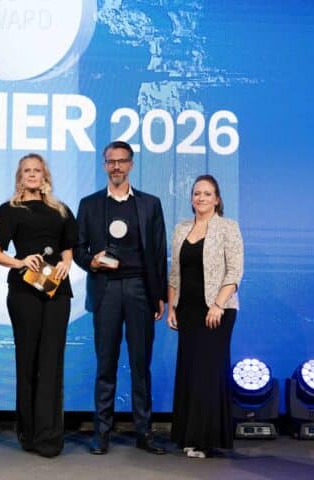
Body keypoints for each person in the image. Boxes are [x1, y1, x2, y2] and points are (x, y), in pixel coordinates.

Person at [73, 141, 167, 455]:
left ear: (131, 164)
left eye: (121, 161)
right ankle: (101, 433)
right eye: (111, 161)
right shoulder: (89, 204)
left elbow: (159, 252)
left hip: (140, 289)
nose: (116, 166)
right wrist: (91, 261)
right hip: (106, 290)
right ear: (104, 166)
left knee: (141, 365)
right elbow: (78, 249)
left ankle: (145, 433)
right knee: (106, 364)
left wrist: (159, 295)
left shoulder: (150, 204)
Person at [0, 153, 76, 458]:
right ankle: (29, 433)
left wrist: (65, 264)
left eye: (37, 170)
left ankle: (50, 436)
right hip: (24, 290)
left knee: (52, 361)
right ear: (20, 176)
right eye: (27, 170)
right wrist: (20, 262)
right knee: (28, 361)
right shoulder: (10, 210)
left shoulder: (61, 210)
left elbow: (68, 248)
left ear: (44, 175)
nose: (32, 174)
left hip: (56, 290)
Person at [167, 174, 243, 458]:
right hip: (187, 310)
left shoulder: (228, 227)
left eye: (207, 193)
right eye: (197, 193)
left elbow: (234, 271)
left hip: (217, 311)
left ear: (217, 199)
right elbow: (175, 273)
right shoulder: (181, 229)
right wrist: (172, 307)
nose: (201, 198)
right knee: (188, 371)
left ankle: (204, 440)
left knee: (207, 373)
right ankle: (188, 436)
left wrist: (218, 305)